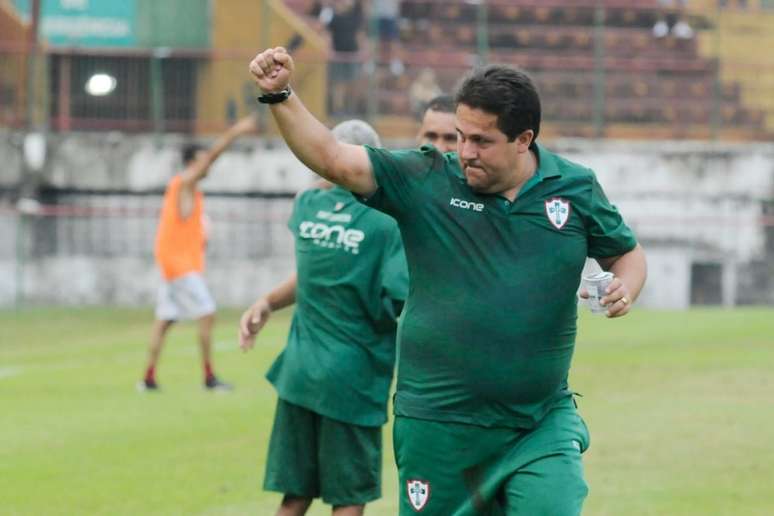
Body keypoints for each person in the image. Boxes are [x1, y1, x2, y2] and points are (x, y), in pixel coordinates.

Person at [248, 47, 647, 515]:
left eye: (481, 141)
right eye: (460, 136)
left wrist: (624, 287)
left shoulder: (574, 187)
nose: (464, 152)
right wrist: (281, 96)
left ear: (524, 138)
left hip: (537, 423)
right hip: (438, 426)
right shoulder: (426, 179)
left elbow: (626, 253)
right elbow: (332, 157)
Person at [239, 120, 408, 516]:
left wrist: (266, 300)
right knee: (348, 497)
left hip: (300, 373)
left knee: (295, 496)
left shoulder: (307, 206)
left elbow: (321, 271)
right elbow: (400, 295)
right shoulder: (388, 221)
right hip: (352, 378)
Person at [139, 115, 257, 392]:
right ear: (194, 161)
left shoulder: (187, 190)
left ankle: (148, 377)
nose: (207, 164)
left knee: (165, 320)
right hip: (181, 266)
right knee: (207, 313)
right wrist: (236, 131)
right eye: (202, 158)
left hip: (174, 264)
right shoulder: (184, 182)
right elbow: (212, 157)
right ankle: (209, 377)